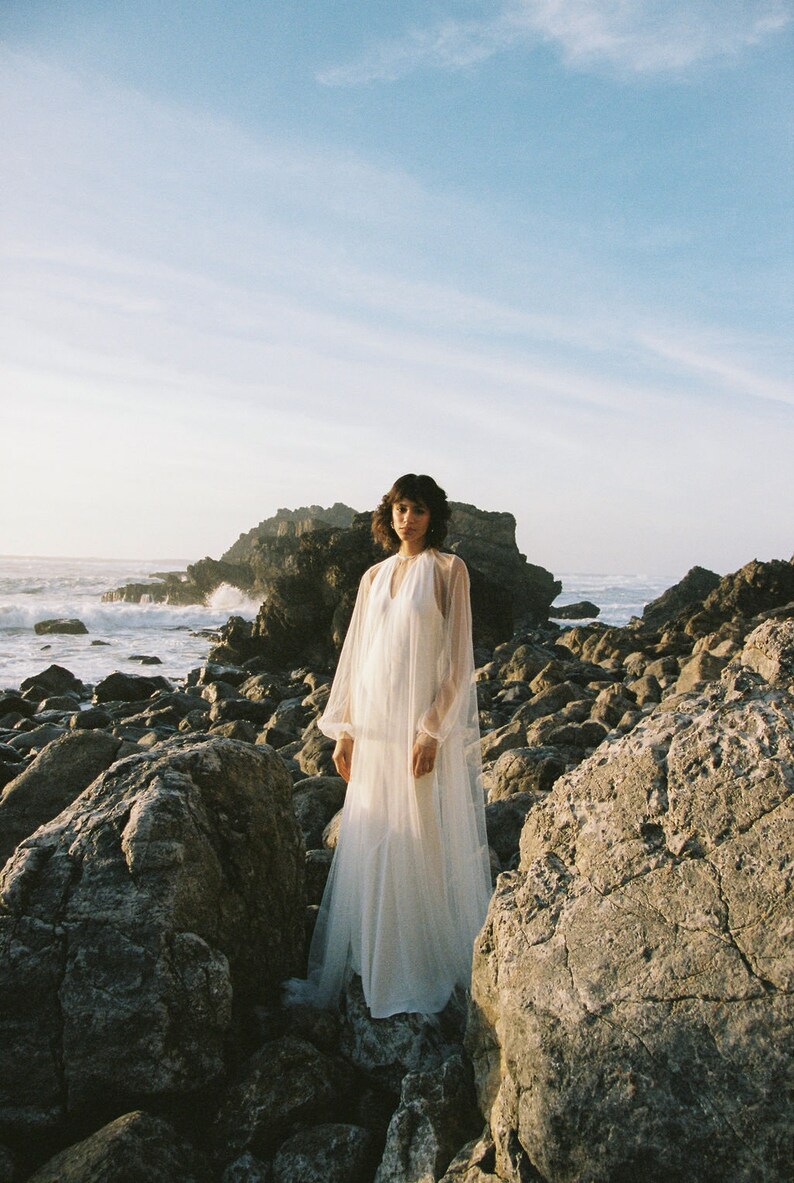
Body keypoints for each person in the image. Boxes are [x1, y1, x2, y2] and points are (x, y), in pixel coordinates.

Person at [296, 473, 492, 1019]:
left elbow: (458, 662)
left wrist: (432, 730)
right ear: (390, 514)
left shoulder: (450, 572)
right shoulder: (372, 577)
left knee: (420, 830)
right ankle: (371, 952)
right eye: (401, 508)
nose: (408, 518)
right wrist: (348, 730)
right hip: (376, 722)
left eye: (419, 509)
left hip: (415, 724)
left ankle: (417, 960)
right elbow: (358, 659)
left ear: (434, 517)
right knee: (376, 827)